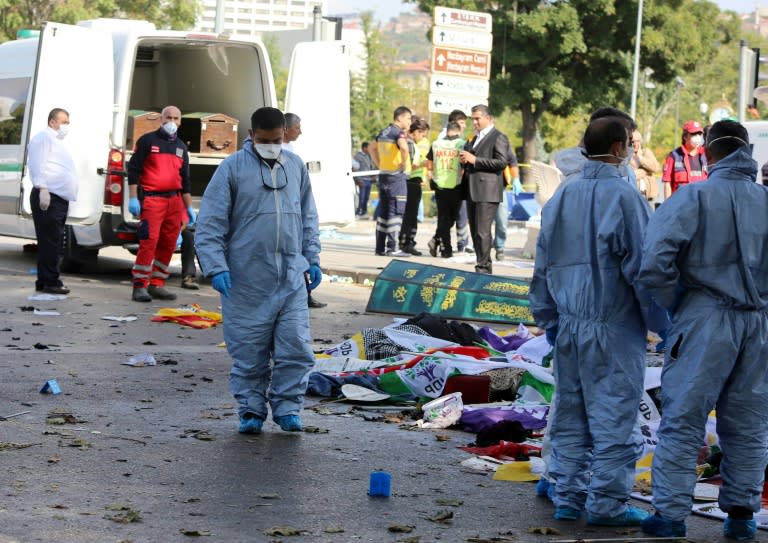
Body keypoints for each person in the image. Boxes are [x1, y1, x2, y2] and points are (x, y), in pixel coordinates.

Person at [529, 116, 667, 527]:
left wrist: (547, 316)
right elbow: (643, 269)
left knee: (570, 415)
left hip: (569, 326)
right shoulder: (624, 198)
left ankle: (568, 496)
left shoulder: (563, 195)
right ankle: (607, 505)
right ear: (620, 147)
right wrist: (662, 320)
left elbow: (542, 264)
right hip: (613, 326)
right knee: (614, 420)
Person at [639, 120, 768, 541]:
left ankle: (671, 516)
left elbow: (654, 264)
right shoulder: (765, 201)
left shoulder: (692, 197)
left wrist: (679, 304)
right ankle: (743, 516)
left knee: (683, 418)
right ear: (747, 151)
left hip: (705, 318)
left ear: (707, 153)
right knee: (749, 422)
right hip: (759, 323)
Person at [195, 107, 322, 435]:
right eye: (264, 140)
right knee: (249, 351)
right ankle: (251, 409)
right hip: (246, 277)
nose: (271, 145)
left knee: (296, 347)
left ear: (284, 135)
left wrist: (313, 257)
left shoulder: (294, 166)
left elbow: (307, 215)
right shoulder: (232, 168)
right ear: (251, 136)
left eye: (277, 140)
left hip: (291, 277)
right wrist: (215, 266)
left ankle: (288, 407)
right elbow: (210, 222)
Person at [127, 105, 195, 302]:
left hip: (174, 202)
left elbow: (185, 180)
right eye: (168, 117)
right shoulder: (147, 141)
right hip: (153, 200)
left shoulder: (181, 147)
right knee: (149, 242)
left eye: (175, 118)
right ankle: (140, 285)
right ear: (161, 119)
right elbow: (133, 169)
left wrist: (188, 207)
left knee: (168, 244)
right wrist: (133, 197)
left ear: (180, 121)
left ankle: (157, 284)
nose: (171, 122)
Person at [27, 108, 78, 295]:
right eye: (64, 122)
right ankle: (51, 281)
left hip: (57, 197)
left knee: (50, 241)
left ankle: (43, 280)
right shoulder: (43, 138)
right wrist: (42, 188)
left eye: (68, 122)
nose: (67, 126)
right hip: (49, 196)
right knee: (52, 242)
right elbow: (36, 164)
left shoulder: (56, 141)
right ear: (52, 122)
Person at [459, 105, 511, 274]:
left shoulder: (498, 137)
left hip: (488, 191)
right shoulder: (474, 138)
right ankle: (484, 265)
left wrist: (475, 160)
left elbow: (501, 163)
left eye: (477, 118)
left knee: (482, 231)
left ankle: (482, 268)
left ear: (488, 118)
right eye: (472, 119)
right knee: (475, 232)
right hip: (472, 189)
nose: (474, 122)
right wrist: (464, 160)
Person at [281, 112, 325, 309]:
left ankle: (304, 294)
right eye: (297, 127)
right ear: (286, 129)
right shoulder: (245, 161)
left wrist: (314, 258)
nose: (300, 131)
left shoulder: (292, 153)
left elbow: (307, 209)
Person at [369, 106, 412, 257]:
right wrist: (404, 163)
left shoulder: (383, 132)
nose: (409, 122)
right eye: (408, 118)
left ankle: (380, 248)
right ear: (399, 118)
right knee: (396, 212)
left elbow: (371, 148)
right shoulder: (398, 133)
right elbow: (404, 149)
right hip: (396, 177)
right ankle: (393, 248)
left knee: (384, 212)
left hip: (384, 176)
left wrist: (379, 163)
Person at [426, 121, 465, 258]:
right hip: (456, 186)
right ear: (458, 131)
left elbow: (429, 163)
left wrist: (431, 177)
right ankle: (445, 250)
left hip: (440, 186)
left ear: (447, 130)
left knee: (443, 219)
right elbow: (465, 165)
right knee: (451, 220)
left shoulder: (436, 144)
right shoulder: (461, 144)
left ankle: (439, 243)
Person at [399, 117, 429, 255]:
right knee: (410, 215)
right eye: (422, 134)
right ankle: (407, 243)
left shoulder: (410, 143)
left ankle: (407, 242)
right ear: (416, 131)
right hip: (411, 182)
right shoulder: (410, 144)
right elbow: (410, 164)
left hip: (412, 181)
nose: (423, 137)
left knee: (410, 215)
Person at [661, 119, 707, 199]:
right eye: (694, 134)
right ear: (685, 137)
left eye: (699, 134)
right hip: (680, 204)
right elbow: (667, 183)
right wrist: (667, 206)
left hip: (701, 204)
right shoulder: (674, 156)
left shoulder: (706, 155)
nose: (698, 137)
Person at [493, 146, 519, 262]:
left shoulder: (503, 145)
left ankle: (500, 248)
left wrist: (516, 179)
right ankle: (483, 248)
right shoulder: (476, 142)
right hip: (482, 188)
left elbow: (513, 162)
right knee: (482, 224)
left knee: (502, 222)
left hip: (500, 189)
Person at [630, 129, 660, 202]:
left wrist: (641, 158)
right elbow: (630, 175)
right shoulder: (626, 157)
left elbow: (656, 168)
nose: (635, 144)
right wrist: (646, 171)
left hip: (649, 197)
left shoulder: (646, 152)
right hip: (634, 198)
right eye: (633, 141)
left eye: (638, 141)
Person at [353, 142, 376, 218]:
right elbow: (354, 169)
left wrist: (373, 177)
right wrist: (358, 180)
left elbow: (371, 166)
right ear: (364, 148)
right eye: (368, 148)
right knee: (361, 198)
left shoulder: (369, 156)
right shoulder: (358, 156)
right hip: (362, 180)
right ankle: (358, 212)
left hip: (368, 180)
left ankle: (364, 212)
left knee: (366, 198)